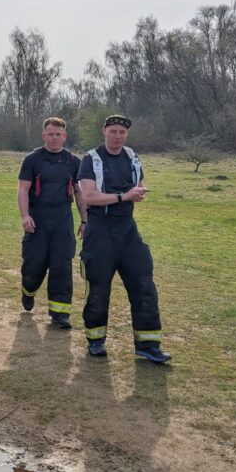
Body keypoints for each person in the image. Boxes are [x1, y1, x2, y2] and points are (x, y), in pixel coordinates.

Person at [77, 114, 170, 362]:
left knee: (144, 284)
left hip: (127, 228)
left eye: (122, 132)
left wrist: (138, 193)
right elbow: (89, 197)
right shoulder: (91, 159)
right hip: (99, 228)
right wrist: (123, 196)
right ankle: (96, 340)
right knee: (98, 287)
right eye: (113, 131)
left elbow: (139, 184)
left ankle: (148, 345)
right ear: (104, 131)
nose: (118, 136)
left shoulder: (131, 156)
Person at [17, 117, 87, 329]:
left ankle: (60, 314)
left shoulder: (74, 162)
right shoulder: (32, 159)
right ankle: (28, 291)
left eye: (58, 134)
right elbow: (23, 190)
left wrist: (85, 220)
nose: (54, 138)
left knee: (62, 265)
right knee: (34, 264)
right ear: (44, 135)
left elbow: (80, 193)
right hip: (37, 218)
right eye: (50, 134)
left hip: (62, 219)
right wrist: (25, 216)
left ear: (64, 136)